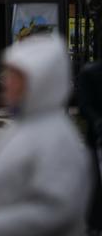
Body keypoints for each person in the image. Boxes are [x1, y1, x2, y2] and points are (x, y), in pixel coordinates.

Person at [0, 34, 91, 236]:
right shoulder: (25, 126)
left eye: (16, 76)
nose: (6, 83)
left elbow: (59, 209)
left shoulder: (56, 138)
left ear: (40, 82)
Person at [79, 58, 102, 233]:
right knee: (95, 184)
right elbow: (84, 106)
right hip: (96, 140)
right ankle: (93, 224)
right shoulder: (90, 73)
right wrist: (97, 123)